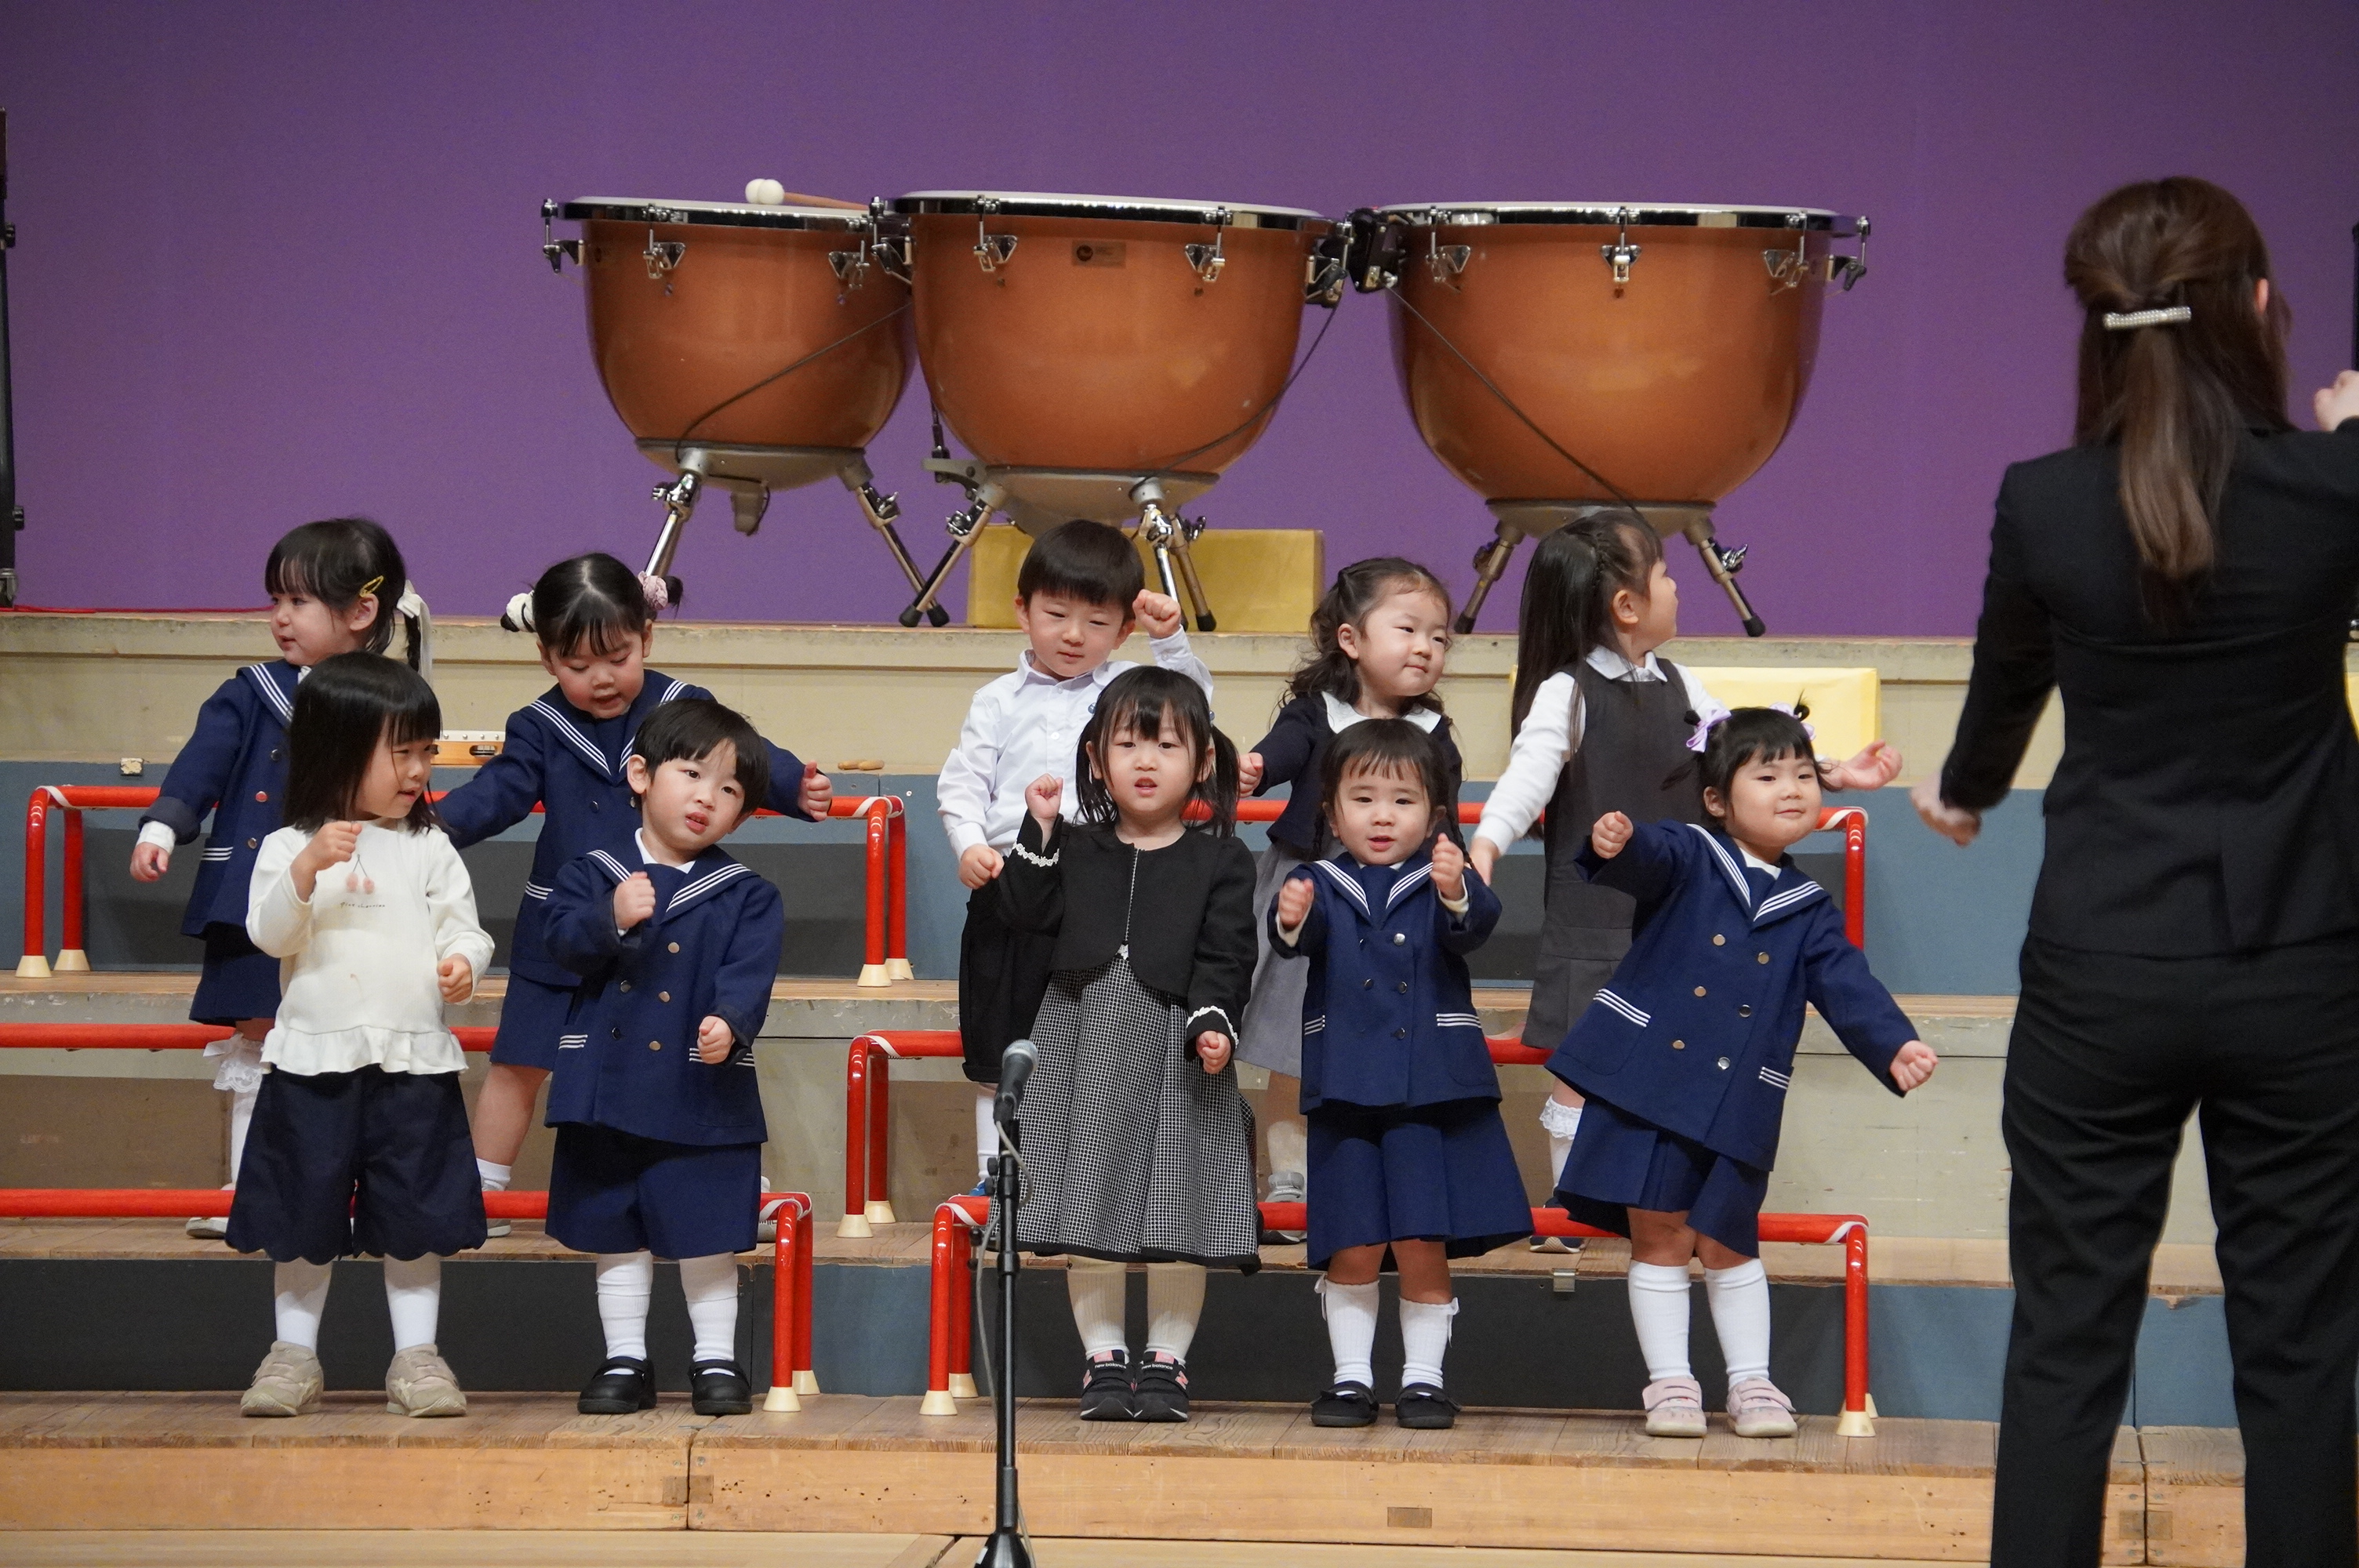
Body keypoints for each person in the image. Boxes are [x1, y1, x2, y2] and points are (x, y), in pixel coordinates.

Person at [1913, 176, 2359, 1567]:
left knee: (2064, 1344)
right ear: (2259, 309)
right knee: (2300, 1352)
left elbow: (2003, 694)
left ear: (2099, 329)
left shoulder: (2045, 503)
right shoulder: (2331, 488)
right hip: (2304, 967)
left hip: (2100, 971)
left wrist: (1964, 793)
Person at [1469, 520, 1899, 1239]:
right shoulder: (1567, 693)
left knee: (1674, 1065)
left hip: (1681, 923)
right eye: (1665, 576)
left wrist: (1830, 772)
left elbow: (1739, 756)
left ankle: (1662, 1216)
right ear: (1627, 605)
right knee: (1583, 1070)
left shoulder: (1681, 684)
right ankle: (1577, 1217)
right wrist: (1486, 846)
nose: (1675, 588)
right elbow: (1526, 779)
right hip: (1595, 921)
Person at [1551, 707, 1935, 1439]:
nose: (1791, 789)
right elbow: (1647, 854)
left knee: (1732, 1240)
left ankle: (1753, 1383)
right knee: (1660, 1236)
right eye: (1767, 776)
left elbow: (1847, 984)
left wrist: (1893, 1045)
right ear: (1717, 800)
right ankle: (1671, 1383)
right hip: (1649, 1088)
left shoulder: (1809, 906)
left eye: (1803, 775)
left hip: (1736, 1102)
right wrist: (1616, 841)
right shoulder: (1691, 853)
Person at [439, 554, 826, 1232]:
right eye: (577, 664)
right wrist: (433, 829)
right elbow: (498, 792)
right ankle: (484, 1188)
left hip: (666, 933)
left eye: (617, 658)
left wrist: (796, 787)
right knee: (519, 1059)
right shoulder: (538, 725)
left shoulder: (684, 706)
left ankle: (709, 1168)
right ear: (545, 657)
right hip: (564, 925)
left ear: (646, 637)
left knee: (666, 1051)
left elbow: (740, 753)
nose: (601, 679)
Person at [130, 517, 430, 1240]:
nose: (280, 618)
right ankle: (249, 1190)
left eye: (298, 602)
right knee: (262, 1040)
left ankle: (334, 1193)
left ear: (361, 611)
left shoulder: (388, 697)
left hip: (355, 905)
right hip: (257, 900)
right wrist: (163, 825)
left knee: (343, 1049)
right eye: (275, 601)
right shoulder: (253, 691)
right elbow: (202, 763)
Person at [228, 653, 493, 1418]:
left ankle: (417, 1358)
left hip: (413, 1063)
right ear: (338, 750)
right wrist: (308, 869)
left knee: (415, 1218)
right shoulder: (289, 845)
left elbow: (467, 929)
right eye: (400, 752)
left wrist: (462, 964)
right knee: (302, 1214)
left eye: (425, 751)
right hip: (313, 1062)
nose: (418, 770)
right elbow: (270, 935)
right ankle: (293, 1356)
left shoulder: (428, 846)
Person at [998, 666, 1258, 1423]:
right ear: (1096, 758)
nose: (1147, 761)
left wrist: (1213, 1022)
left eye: (1168, 745)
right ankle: (1103, 1360)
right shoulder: (1072, 845)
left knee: (1179, 1208)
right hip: (1081, 1038)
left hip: (1177, 1047)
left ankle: (1168, 1363)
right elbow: (1021, 913)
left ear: (1202, 762)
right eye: (1128, 744)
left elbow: (1227, 955)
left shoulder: (1222, 858)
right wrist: (1038, 831)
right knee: (1090, 1199)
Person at [937, 520, 1212, 1196]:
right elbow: (963, 783)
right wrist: (969, 844)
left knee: (1086, 1037)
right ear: (1022, 610)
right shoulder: (994, 701)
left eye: (1096, 622)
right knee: (1000, 1032)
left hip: (1099, 877)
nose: (1072, 635)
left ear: (1123, 631)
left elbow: (1193, 710)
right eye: (1056, 614)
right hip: (1009, 877)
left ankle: (1077, 1184)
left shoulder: (1126, 691)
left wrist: (1170, 641)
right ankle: (997, 1177)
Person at [1267, 720, 1527, 1430]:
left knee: (1421, 1237)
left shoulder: (1444, 876)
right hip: (1347, 1088)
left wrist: (1456, 890)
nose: (1382, 816)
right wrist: (1289, 920)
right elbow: (1295, 943)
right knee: (1351, 1238)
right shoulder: (1316, 880)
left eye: (1403, 801)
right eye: (1363, 799)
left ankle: (1424, 1380)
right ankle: (1350, 1378)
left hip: (1429, 1088)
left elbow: (1474, 926)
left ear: (1435, 815)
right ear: (1332, 814)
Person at [539, 699, 785, 1418]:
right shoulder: (594, 873)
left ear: (742, 815)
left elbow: (750, 975)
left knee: (707, 1227)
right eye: (692, 774)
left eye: (729, 789)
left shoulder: (747, 894)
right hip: (605, 1088)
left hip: (699, 1090)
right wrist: (610, 917)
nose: (707, 797)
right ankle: (624, 1358)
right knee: (614, 1227)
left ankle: (715, 1358)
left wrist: (730, 1023)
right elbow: (560, 946)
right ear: (642, 775)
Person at [1237, 558, 1462, 1241]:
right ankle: (1288, 1181)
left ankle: (1372, 1181)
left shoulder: (1433, 733)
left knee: (1381, 1040)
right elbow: (1279, 752)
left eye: (1439, 637)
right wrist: (1254, 766)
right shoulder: (1317, 713)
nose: (1425, 647)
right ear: (1351, 639)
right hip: (1310, 888)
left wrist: (1452, 873)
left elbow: (1445, 817)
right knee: (1292, 1040)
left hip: (1398, 904)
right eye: (1408, 629)